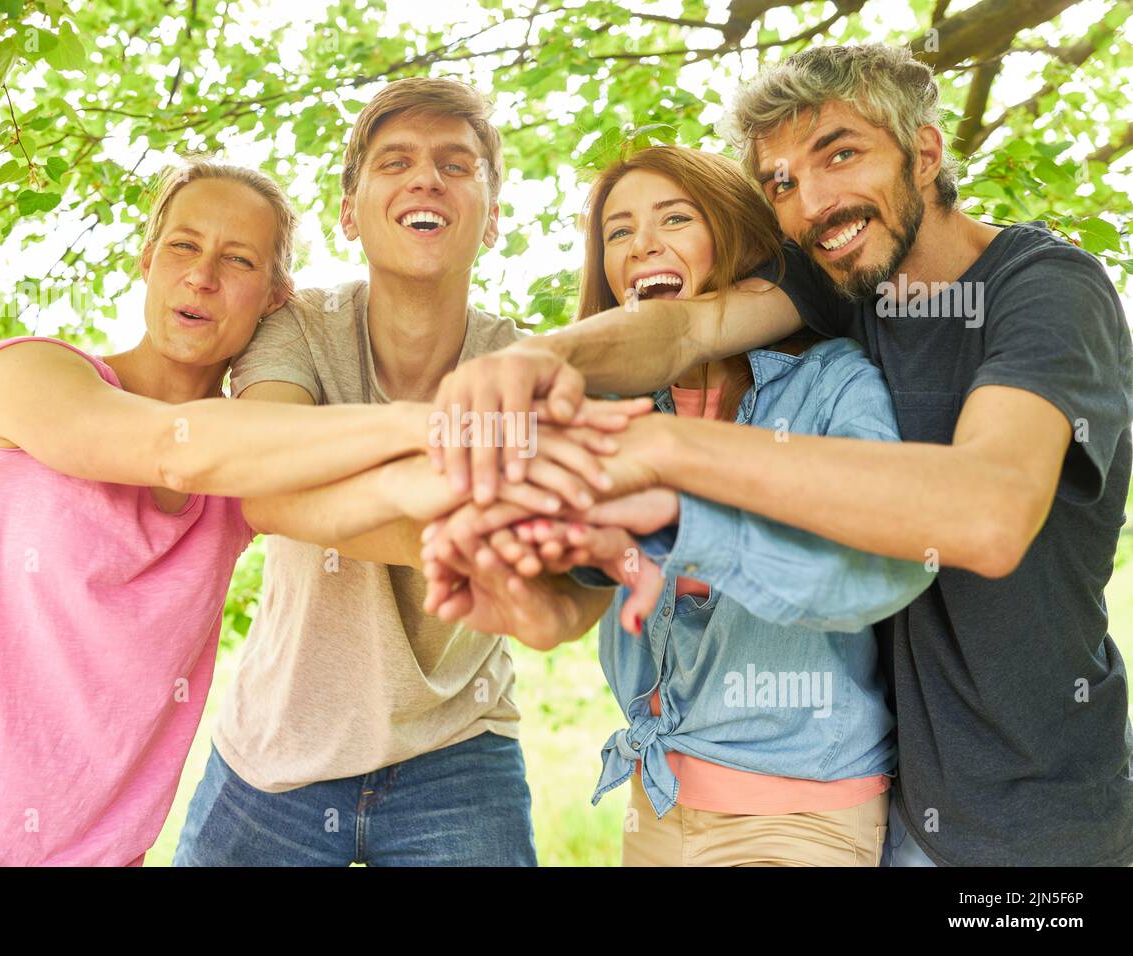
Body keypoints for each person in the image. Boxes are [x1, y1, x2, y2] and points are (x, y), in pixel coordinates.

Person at [426, 44, 1133, 867]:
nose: (815, 203)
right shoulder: (844, 283)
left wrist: (663, 454)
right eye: (782, 183)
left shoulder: (1047, 289)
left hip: (1034, 823)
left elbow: (990, 511)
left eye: (841, 153)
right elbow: (684, 328)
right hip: (893, 801)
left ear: (926, 153)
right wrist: (541, 357)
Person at [0, 158, 483, 866]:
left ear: (274, 299)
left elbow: (409, 528)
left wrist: (575, 523)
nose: (202, 275)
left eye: (238, 260)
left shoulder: (246, 476)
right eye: (182, 245)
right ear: (147, 261)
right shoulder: (26, 376)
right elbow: (172, 450)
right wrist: (436, 426)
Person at [172, 77, 648, 867]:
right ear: (349, 213)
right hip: (279, 746)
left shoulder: (527, 363)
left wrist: (554, 567)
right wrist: (485, 526)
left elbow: (571, 580)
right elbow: (265, 475)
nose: (426, 178)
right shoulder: (298, 329)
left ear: (493, 219)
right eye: (395, 161)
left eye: (456, 165)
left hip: (458, 750)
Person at [421, 145, 933, 865]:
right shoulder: (609, 411)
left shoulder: (830, 383)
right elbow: (581, 601)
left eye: (674, 219)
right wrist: (536, 600)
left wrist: (676, 521)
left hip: (799, 813)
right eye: (619, 232)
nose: (643, 246)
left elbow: (878, 566)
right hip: (655, 803)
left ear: (735, 237)